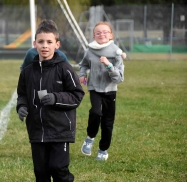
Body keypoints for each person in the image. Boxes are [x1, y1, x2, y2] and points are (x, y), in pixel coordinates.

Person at [16, 19, 85, 182]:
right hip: (37, 131)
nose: (45, 46)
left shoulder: (64, 69)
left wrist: (55, 98)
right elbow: (22, 94)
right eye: (41, 42)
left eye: (49, 42)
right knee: (41, 172)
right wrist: (21, 106)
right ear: (34, 44)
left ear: (57, 44)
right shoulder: (26, 72)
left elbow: (77, 95)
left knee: (58, 168)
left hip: (59, 130)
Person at [78, 21, 125, 161]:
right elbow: (84, 64)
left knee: (107, 121)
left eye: (105, 32)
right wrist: (82, 75)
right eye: (98, 32)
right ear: (94, 35)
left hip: (110, 91)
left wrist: (109, 65)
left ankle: (103, 149)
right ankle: (90, 137)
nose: (101, 34)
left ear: (111, 35)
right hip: (94, 88)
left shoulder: (116, 52)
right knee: (95, 112)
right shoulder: (90, 50)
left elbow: (119, 78)